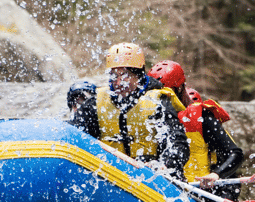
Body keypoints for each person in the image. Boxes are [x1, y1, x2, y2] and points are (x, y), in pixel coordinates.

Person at [71, 42, 190, 179]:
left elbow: (178, 144)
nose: (119, 81)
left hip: (151, 177)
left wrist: (165, 164)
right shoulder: (95, 103)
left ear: (138, 75)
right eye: (114, 75)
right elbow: (76, 131)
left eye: (125, 75)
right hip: (113, 176)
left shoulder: (158, 101)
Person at [147, 60, 244, 200]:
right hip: (168, 191)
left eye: (165, 94)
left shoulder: (202, 118)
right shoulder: (150, 116)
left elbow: (234, 154)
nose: (161, 100)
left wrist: (216, 176)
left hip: (203, 196)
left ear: (179, 89)